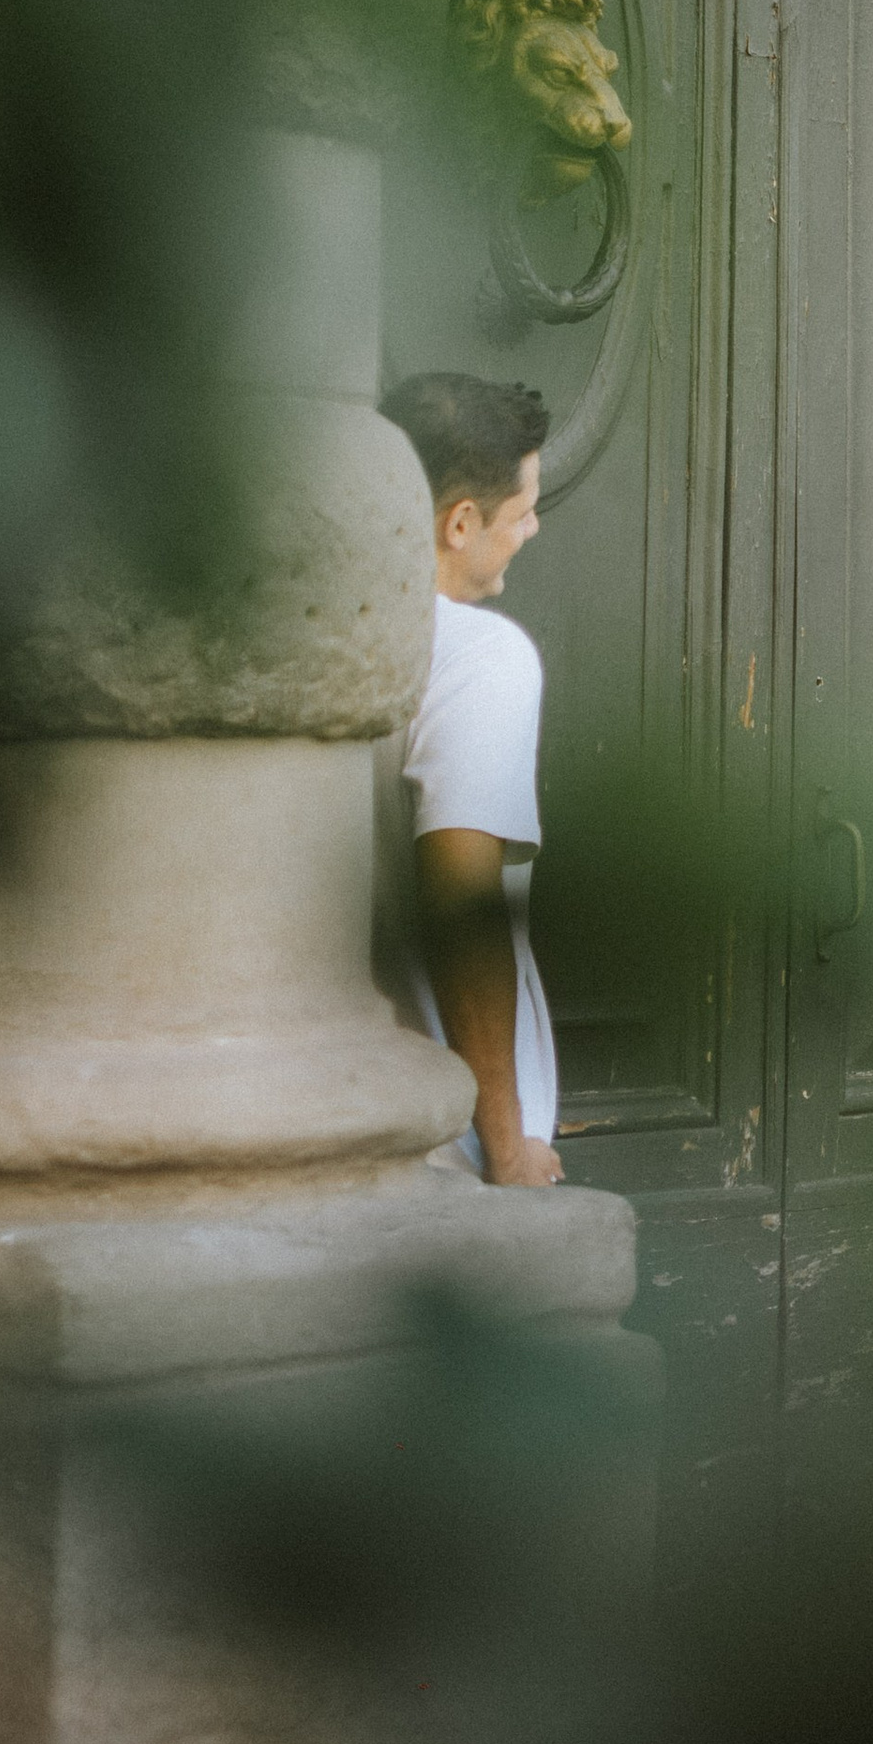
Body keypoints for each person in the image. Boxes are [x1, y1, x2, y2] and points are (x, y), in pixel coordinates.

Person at [374, 371, 565, 1189]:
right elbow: (464, 905)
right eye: (520, 511)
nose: (531, 528)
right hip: (454, 1149)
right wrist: (509, 1147)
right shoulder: (481, 659)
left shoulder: (338, 635)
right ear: (459, 524)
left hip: (357, 1115)